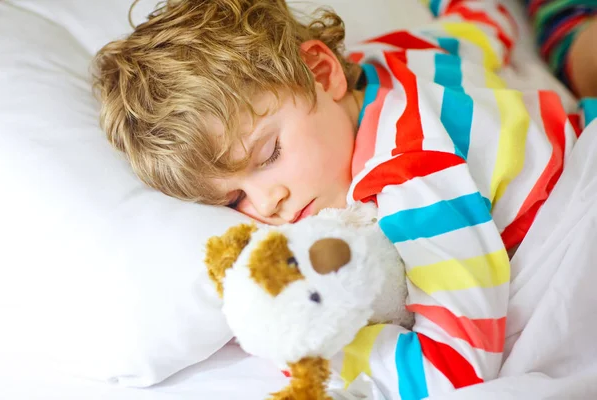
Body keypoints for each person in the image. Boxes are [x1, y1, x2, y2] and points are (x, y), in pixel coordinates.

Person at [93, 0, 595, 397]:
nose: (268, 205)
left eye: (269, 154)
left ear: (322, 71)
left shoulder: (412, 174)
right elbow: (483, 23)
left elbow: (455, 369)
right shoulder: (394, 53)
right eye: (234, 198)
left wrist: (327, 352)